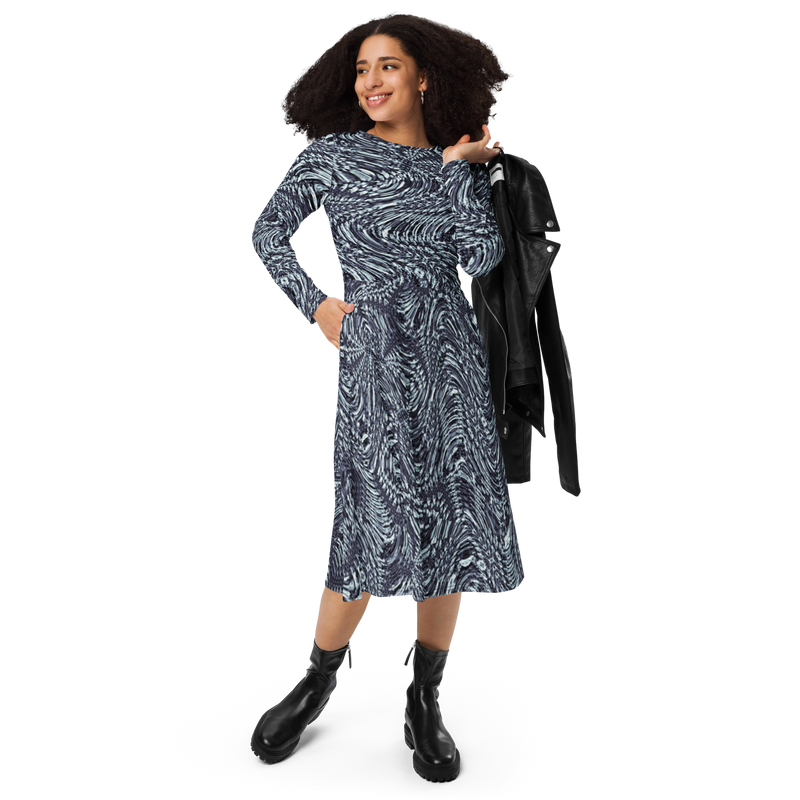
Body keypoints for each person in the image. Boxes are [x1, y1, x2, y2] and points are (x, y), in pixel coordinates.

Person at [248, 13, 524, 780]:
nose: (371, 82)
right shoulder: (332, 158)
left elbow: (481, 254)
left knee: (453, 525)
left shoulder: (452, 164)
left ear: (424, 76)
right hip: (374, 358)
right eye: (363, 69)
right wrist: (316, 303)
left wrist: (455, 168)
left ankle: (426, 695)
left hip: (452, 363)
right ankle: (318, 677)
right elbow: (268, 232)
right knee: (368, 521)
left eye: (388, 67)